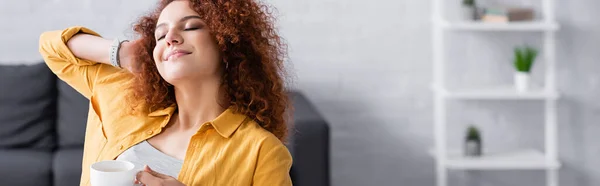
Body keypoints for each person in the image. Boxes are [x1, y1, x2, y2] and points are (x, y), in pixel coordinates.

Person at [39, 0, 292, 185]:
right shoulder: (126, 97)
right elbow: (51, 48)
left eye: (191, 27)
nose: (170, 37)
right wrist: (123, 52)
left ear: (228, 42)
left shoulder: (261, 151)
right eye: (159, 35)